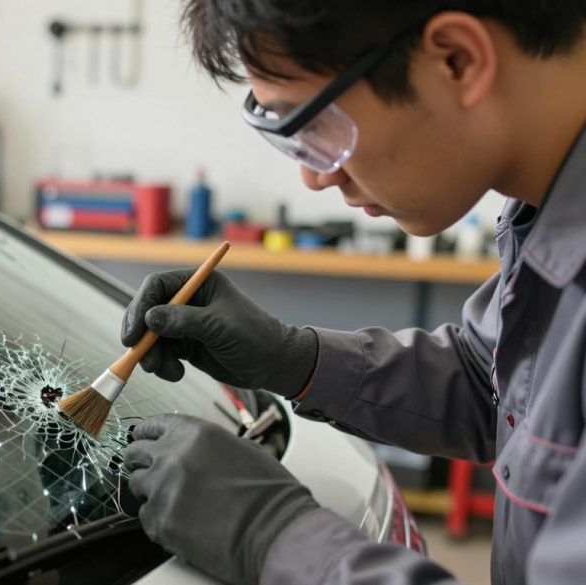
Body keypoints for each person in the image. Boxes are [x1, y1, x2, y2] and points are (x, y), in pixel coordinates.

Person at [119, 1, 586, 584]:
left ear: (457, 61)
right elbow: (495, 385)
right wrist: (295, 357)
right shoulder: (543, 213)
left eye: (313, 125)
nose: (314, 176)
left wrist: (269, 533)